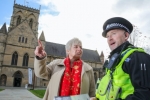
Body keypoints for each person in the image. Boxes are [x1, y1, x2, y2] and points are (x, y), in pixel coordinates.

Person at [95, 17, 150, 100]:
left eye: (113, 33)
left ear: (126, 35)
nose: (109, 38)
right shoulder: (114, 61)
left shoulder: (137, 57)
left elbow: (144, 96)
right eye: (108, 36)